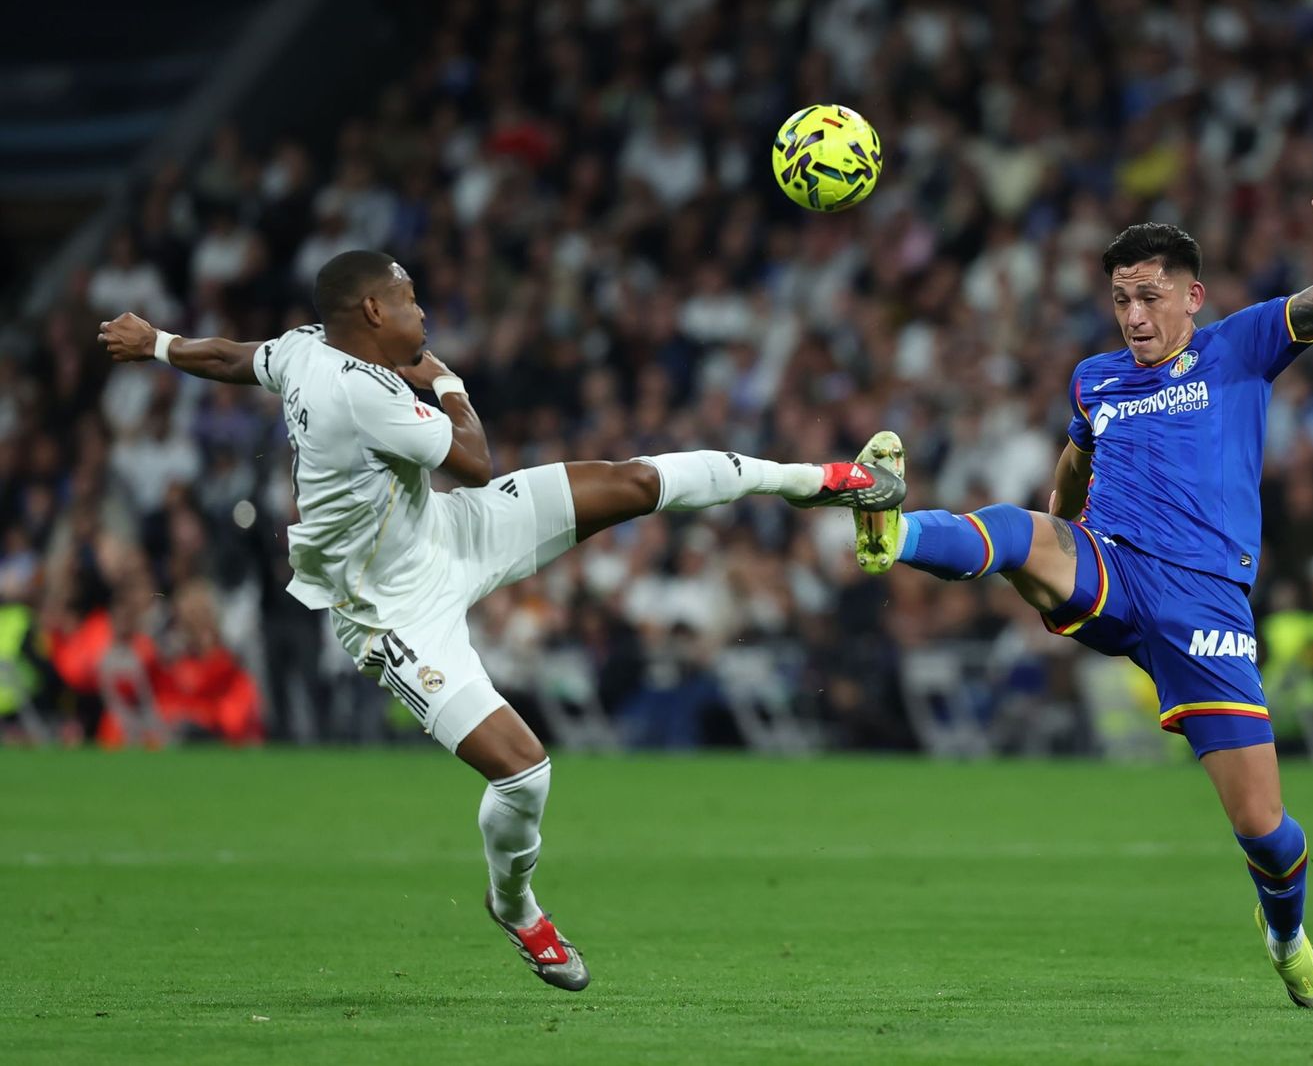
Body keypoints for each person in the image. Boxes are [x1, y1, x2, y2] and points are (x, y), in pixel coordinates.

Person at [98, 249, 905, 992]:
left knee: (631, 480)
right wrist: (448, 383)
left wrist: (158, 343)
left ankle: (825, 481)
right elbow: (476, 459)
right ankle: (515, 905)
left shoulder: (306, 348)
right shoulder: (361, 395)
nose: (423, 312)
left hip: (446, 531)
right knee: (524, 772)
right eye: (410, 299)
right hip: (390, 613)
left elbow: (237, 357)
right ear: (373, 312)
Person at [848, 187, 1313, 1009]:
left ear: (1192, 296)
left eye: (1149, 297)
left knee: (1265, 832)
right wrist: (1059, 521)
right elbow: (1077, 457)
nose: (1133, 316)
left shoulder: (1242, 345)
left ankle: (1286, 938)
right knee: (1016, 529)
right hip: (1117, 569)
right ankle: (894, 528)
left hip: (1206, 603)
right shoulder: (1095, 380)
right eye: (1121, 299)